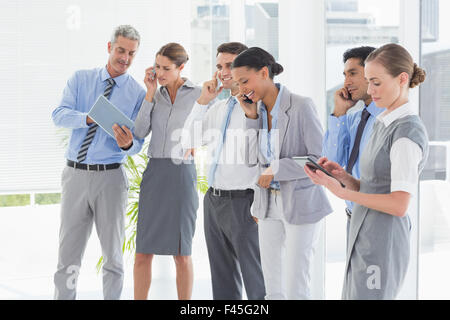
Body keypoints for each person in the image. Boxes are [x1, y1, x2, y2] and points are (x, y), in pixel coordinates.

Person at [305, 43, 429, 300]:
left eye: (376, 82)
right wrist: (344, 178)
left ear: (402, 79)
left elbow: (399, 204)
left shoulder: (406, 133)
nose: (369, 90)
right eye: (368, 82)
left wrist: (341, 193)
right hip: (366, 229)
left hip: (382, 237)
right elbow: (375, 184)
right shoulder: (385, 123)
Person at [52, 25, 145, 300]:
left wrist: (127, 143)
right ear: (109, 47)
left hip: (111, 179)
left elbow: (138, 143)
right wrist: (89, 118)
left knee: (113, 256)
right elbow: (59, 115)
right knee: (68, 255)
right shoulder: (81, 79)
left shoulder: (137, 93)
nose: (125, 58)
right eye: (120, 50)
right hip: (75, 176)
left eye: (131, 53)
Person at [231, 47, 332, 300]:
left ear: (264, 73)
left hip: (300, 203)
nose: (242, 89)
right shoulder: (256, 111)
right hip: (267, 204)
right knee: (273, 287)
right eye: (238, 84)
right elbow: (249, 160)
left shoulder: (300, 106)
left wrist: (276, 169)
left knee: (295, 285)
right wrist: (250, 117)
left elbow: (317, 158)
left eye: (245, 81)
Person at [181, 42, 265, 300]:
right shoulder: (217, 108)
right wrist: (203, 101)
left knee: (256, 281)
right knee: (222, 282)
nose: (223, 71)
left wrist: (259, 205)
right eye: (219, 66)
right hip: (214, 201)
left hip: (245, 203)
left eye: (230, 65)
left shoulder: (259, 108)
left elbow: (264, 159)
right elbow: (187, 141)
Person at [132, 43, 201, 300]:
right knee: (142, 253)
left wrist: (196, 141)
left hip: (181, 174)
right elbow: (139, 132)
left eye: (166, 68)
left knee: (182, 254)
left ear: (181, 67)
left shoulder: (197, 94)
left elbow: (211, 128)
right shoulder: (154, 94)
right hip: (154, 174)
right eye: (157, 66)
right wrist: (150, 93)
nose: (159, 73)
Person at [323, 46, 385, 233]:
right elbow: (331, 161)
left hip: (377, 217)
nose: (346, 82)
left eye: (352, 73)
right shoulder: (352, 119)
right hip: (352, 215)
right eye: (344, 75)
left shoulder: (387, 120)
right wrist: (339, 112)